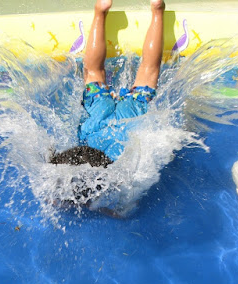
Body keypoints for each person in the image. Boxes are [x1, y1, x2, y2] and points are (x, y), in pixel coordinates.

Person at [50, 0, 165, 167]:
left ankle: (157, 11)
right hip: (93, 127)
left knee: (148, 72)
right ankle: (100, 12)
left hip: (126, 129)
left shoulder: (116, 177)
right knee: (93, 72)